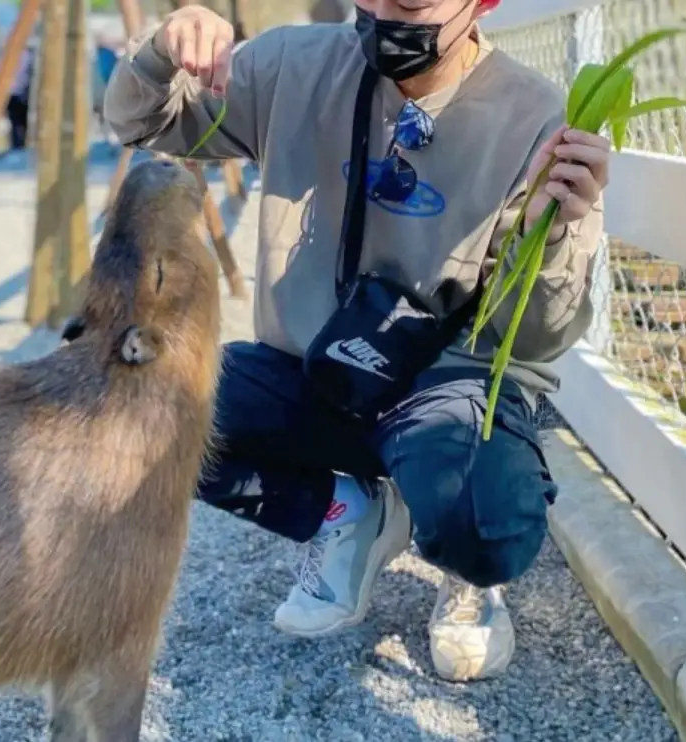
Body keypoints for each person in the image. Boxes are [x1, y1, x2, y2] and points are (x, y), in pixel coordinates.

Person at [103, 0, 610, 683]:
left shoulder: (534, 119)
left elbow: (540, 334)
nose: (384, 11)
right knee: (148, 412)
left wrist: (557, 235)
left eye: (411, 4)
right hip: (313, 368)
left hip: (442, 385)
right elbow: (141, 120)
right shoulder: (290, 66)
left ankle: (464, 571)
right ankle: (345, 514)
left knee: (488, 522)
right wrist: (164, 51)